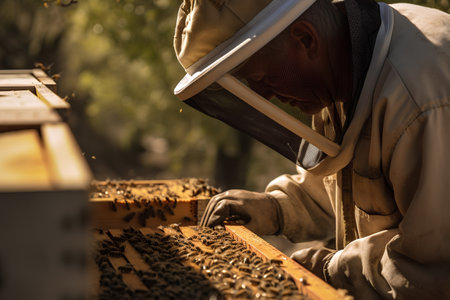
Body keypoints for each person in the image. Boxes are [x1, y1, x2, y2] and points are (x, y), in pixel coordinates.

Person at [173, 0, 450, 298]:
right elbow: (350, 181)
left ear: (306, 39)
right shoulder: (340, 67)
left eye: (261, 78)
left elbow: (433, 272)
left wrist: (328, 269)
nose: (263, 96)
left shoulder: (423, 100)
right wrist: (277, 207)